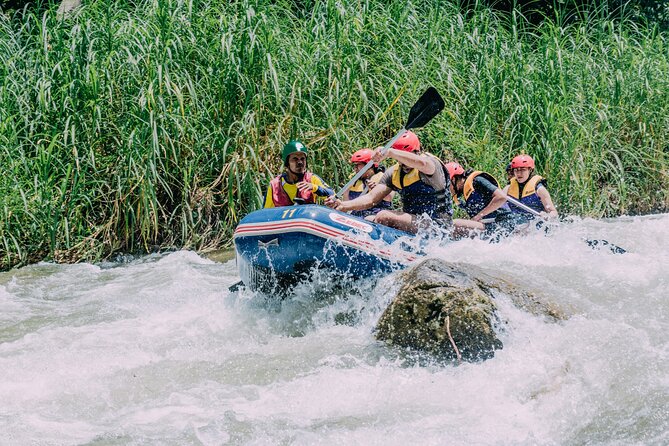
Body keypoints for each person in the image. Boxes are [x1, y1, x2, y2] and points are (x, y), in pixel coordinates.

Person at [326, 131, 452, 233]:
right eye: (400, 159)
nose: (404, 163)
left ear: (417, 152)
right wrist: (343, 205)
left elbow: (422, 163)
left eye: (405, 156)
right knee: (369, 219)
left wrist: (391, 152)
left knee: (384, 216)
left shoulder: (430, 165)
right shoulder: (394, 173)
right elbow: (371, 198)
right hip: (413, 223)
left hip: (437, 226)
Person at [445, 161, 519, 237]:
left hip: (502, 225)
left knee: (455, 224)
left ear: (453, 179)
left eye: (447, 184)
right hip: (490, 226)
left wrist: (478, 216)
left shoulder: (477, 180)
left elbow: (501, 197)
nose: (447, 189)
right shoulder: (463, 195)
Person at [264, 140, 334, 208]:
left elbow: (332, 194)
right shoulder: (274, 185)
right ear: (287, 163)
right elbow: (264, 213)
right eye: (295, 159)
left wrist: (315, 188)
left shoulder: (311, 179)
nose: (300, 162)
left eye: (302, 159)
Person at [503, 154, 558, 220]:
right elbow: (499, 203)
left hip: (536, 225)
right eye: (516, 170)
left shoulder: (539, 189)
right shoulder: (508, 188)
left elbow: (553, 212)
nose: (519, 173)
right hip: (519, 224)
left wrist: (547, 216)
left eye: (523, 170)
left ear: (530, 170)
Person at [344, 148, 395, 219]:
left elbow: (389, 197)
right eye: (354, 165)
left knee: (369, 218)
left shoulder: (383, 177)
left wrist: (378, 190)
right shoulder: (353, 180)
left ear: (369, 166)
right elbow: (346, 204)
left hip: (374, 216)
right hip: (355, 217)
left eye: (358, 165)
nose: (355, 168)